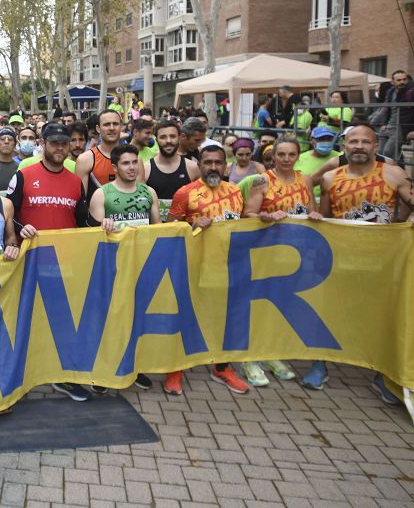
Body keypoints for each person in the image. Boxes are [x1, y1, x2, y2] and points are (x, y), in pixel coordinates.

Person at [317, 124, 414, 402]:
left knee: (381, 317)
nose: (359, 146)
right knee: (329, 311)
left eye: (366, 142)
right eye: (354, 141)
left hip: (382, 261)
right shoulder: (330, 178)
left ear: (376, 146)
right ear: (345, 146)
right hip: (340, 259)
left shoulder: (394, 174)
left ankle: (381, 373)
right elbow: (323, 219)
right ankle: (320, 363)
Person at [7, 122, 89, 402]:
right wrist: (19, 230)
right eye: (54, 143)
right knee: (25, 320)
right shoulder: (24, 175)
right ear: (43, 144)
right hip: (28, 262)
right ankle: (18, 378)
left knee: (61, 321)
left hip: (63, 263)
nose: (59, 148)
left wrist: (106, 225)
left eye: (64, 144)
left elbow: (82, 223)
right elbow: (9, 213)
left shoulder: (76, 182)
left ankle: (63, 377)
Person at [165, 144, 249, 396]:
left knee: (225, 319)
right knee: (185, 317)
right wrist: (192, 224)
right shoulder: (184, 193)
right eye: (208, 162)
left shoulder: (235, 191)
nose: (213, 167)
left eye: (218, 162)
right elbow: (169, 228)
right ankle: (175, 369)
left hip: (227, 266)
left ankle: (221, 367)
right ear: (199, 164)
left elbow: (244, 225)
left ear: (226, 165)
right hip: (193, 266)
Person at [240, 136, 322, 388]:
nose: (286, 159)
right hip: (264, 251)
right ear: (273, 156)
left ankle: (271, 353)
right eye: (281, 155)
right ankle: (249, 359)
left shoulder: (305, 179)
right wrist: (264, 216)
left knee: (280, 305)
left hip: (293, 254)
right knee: (257, 305)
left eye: (291, 155)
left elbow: (311, 208)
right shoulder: (261, 181)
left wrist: (315, 215)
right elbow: (247, 213)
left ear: (298, 156)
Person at [87, 143, 158, 392]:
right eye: (126, 163)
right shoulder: (102, 194)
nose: (131, 167)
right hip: (111, 268)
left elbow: (158, 230)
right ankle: (103, 371)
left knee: (135, 318)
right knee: (108, 318)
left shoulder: (149, 192)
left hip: (140, 267)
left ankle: (132, 368)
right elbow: (92, 234)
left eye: (135, 162)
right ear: (115, 167)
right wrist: (101, 225)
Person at [142, 121, 200, 222]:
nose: (168, 141)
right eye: (163, 137)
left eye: (172, 136)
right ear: (156, 140)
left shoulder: (193, 168)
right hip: (155, 233)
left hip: (185, 232)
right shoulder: (145, 169)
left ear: (180, 138)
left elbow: (202, 198)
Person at [375, 70, 414, 161]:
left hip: (400, 128)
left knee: (388, 153)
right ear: (393, 82)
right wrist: (384, 123)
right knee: (380, 153)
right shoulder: (390, 92)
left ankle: (391, 174)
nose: (402, 82)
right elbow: (388, 109)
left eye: (404, 79)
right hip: (387, 127)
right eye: (399, 80)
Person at [76, 110, 124, 194]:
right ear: (98, 129)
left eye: (115, 124)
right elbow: (81, 200)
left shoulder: (134, 158)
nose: (111, 128)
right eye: (106, 124)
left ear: (121, 126)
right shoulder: (85, 159)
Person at [294, 126, 341, 198]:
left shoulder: (340, 157)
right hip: (307, 199)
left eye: (329, 139)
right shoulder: (299, 159)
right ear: (312, 141)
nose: (326, 142)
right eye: (321, 139)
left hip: (334, 199)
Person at [0, 127, 19, 193]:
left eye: (10, 139)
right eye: (2, 139)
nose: (6, 142)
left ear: (15, 144)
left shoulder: (19, 169)